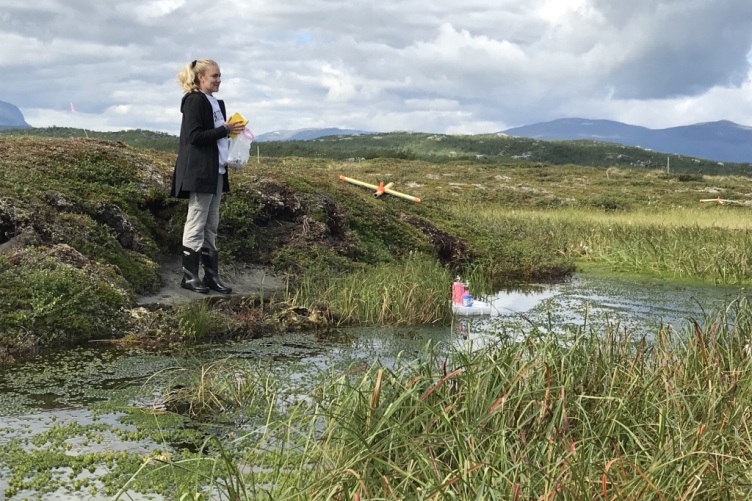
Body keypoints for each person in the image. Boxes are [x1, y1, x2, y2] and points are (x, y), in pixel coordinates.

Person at [171, 58, 245, 294]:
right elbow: (195, 136)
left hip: (217, 170)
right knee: (196, 220)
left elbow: (215, 136)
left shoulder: (214, 102)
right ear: (200, 77)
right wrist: (225, 129)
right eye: (214, 76)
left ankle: (211, 276)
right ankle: (189, 276)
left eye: (220, 75)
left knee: (211, 224)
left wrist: (231, 139)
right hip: (200, 171)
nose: (218, 80)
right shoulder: (194, 101)